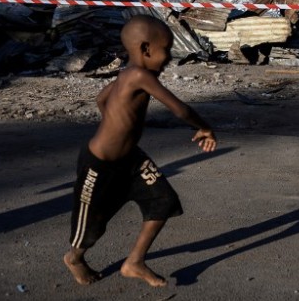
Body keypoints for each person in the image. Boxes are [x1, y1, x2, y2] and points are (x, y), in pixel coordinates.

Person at [64, 15, 217, 288]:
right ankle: (75, 258)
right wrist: (204, 127)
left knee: (163, 201)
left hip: (130, 158)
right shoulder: (138, 75)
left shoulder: (128, 74)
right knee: (92, 225)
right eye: (166, 50)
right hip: (100, 163)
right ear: (146, 49)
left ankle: (134, 262)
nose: (169, 58)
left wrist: (117, 125)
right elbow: (179, 109)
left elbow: (102, 99)